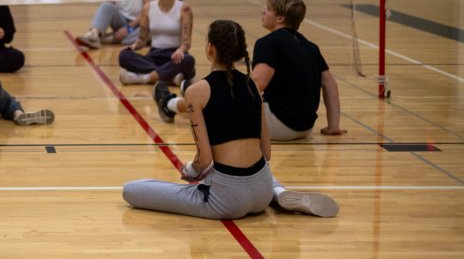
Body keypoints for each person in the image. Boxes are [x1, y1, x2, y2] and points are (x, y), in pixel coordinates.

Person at [124, 20, 339, 219]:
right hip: (261, 191)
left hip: (227, 201)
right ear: (239, 51)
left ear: (210, 47)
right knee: (251, 167)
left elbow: (205, 159)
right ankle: (278, 192)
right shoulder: (252, 84)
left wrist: (190, 170)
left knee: (132, 190)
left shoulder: (196, 91)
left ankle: (272, 191)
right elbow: (267, 152)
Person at [251, 0, 346, 140]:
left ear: (280, 18)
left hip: (277, 125)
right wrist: (333, 126)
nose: (263, 11)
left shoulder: (268, 43)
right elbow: (330, 84)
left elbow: (257, 83)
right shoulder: (311, 47)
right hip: (305, 128)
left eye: (268, 9)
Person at [117, 0, 195, 102]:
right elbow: (142, 39)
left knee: (188, 60)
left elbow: (186, 42)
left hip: (174, 57)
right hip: (154, 56)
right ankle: (170, 77)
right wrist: (134, 46)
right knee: (123, 55)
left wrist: (181, 50)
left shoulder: (184, 8)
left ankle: (144, 78)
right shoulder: (147, 8)